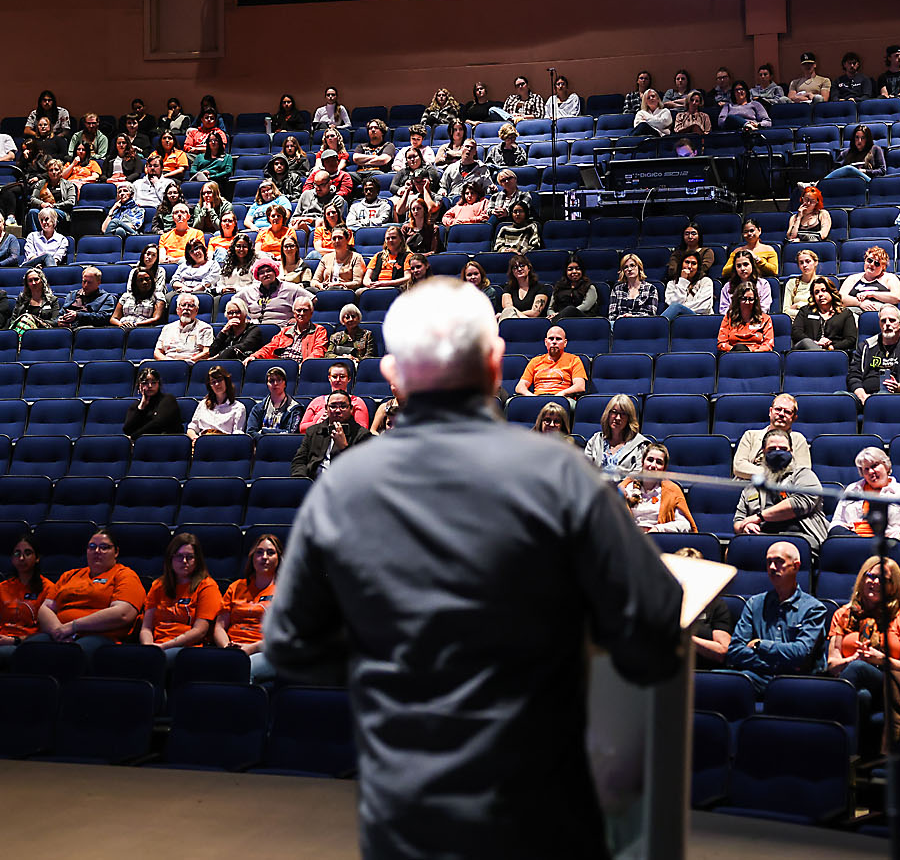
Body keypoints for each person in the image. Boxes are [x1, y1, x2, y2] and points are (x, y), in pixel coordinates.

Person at [265, 278, 683, 857]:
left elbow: (289, 643)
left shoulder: (344, 486)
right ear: (496, 360)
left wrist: (395, 665)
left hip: (406, 816)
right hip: (543, 811)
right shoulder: (561, 475)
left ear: (391, 374)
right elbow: (655, 621)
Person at [826, 557, 900, 743]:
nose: (875, 582)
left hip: (887, 684)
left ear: (894, 586)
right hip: (851, 680)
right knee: (862, 697)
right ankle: (852, 752)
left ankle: (824, 726)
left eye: (884, 579)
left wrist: (880, 659)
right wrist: (853, 658)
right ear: (862, 579)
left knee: (858, 668)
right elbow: (832, 664)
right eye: (870, 576)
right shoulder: (843, 615)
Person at [724, 540, 828, 693]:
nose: (772, 567)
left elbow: (801, 653)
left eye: (779, 562)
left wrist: (760, 645)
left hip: (797, 684)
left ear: (796, 566)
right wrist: (779, 664)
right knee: (718, 681)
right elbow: (735, 651)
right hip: (759, 678)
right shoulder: (754, 604)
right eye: (769, 562)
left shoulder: (814, 609)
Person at [34, 528, 146, 654]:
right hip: (61, 634)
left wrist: (73, 626)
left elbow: (123, 614)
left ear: (116, 552)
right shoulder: (70, 575)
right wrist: (58, 631)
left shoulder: (125, 575)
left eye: (104, 547)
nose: (97, 551)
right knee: (30, 647)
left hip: (101, 637)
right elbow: (45, 608)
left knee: (73, 652)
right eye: (92, 547)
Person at [733, 429, 828, 548]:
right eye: (772, 449)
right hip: (762, 538)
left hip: (801, 538)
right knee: (734, 548)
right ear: (763, 452)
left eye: (783, 449)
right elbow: (738, 520)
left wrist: (759, 517)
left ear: (791, 452)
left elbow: (800, 503)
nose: (778, 453)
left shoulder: (803, 475)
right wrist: (745, 526)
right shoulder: (752, 487)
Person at [137, 533, 222, 657]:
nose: (184, 561)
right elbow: (146, 628)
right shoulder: (158, 585)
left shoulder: (207, 586)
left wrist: (163, 647)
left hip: (187, 649)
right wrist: (149, 647)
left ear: (197, 560)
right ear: (170, 558)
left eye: (190, 557)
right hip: (156, 645)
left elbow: (200, 631)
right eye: (179, 556)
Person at [217, 533, 283, 683]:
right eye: (259, 552)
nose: (264, 557)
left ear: (279, 558)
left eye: (270, 553)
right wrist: (227, 648)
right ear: (252, 558)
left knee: (242, 669)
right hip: (233, 648)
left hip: (267, 650)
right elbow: (219, 626)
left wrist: (251, 648)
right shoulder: (236, 587)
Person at [830, 447, 900, 543]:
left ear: (886, 466)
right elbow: (836, 522)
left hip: (887, 543)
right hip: (852, 542)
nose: (871, 472)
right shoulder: (852, 490)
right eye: (866, 469)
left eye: (874, 466)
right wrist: (842, 529)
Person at [0, 534, 56, 652]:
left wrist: (14, 640)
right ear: (12, 558)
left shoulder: (49, 588)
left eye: (28, 553)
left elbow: (46, 633)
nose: (22, 558)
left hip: (30, 644)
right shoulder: (3, 587)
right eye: (17, 554)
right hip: (1, 640)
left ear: (37, 558)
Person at [847, 306, 900, 406]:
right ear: (879, 324)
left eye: (892, 320)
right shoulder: (865, 346)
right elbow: (853, 376)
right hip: (864, 396)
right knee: (840, 397)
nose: (887, 324)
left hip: (895, 397)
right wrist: (863, 397)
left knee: (881, 397)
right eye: (883, 321)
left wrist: (899, 387)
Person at [291, 389, 372, 480]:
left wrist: (343, 447)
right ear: (326, 408)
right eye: (333, 406)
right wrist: (302, 481)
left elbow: (363, 470)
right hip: (314, 482)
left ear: (351, 409)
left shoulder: (363, 435)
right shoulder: (313, 431)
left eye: (343, 406)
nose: (338, 410)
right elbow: (299, 461)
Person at [733, 394, 812, 477]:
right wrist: (773, 474)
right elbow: (738, 467)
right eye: (778, 409)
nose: (781, 414)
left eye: (787, 412)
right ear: (770, 412)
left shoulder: (799, 439)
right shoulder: (750, 435)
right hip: (749, 482)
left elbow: (803, 472)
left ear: (794, 418)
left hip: (785, 484)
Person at [582, 394, 651, 478]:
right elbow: (584, 468)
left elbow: (638, 475)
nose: (618, 418)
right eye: (614, 412)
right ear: (608, 414)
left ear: (629, 418)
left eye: (623, 414)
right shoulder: (595, 440)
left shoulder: (640, 445)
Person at [249, 293, 327, 365]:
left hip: (300, 367)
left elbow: (318, 352)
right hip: (280, 365)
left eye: (305, 310)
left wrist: (304, 366)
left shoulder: (319, 331)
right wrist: (255, 356)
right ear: (294, 313)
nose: (301, 313)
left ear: (311, 313)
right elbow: (270, 347)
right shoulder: (285, 331)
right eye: (299, 310)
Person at [514, 325, 586, 398]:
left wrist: (563, 393)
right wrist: (532, 397)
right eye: (551, 339)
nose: (554, 342)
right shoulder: (535, 361)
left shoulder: (574, 360)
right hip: (538, 398)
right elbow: (520, 386)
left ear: (565, 343)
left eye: (558, 339)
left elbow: (580, 386)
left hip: (562, 398)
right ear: (546, 342)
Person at [299, 360, 371, 431]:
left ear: (349, 379)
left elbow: (362, 429)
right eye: (334, 376)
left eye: (342, 377)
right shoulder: (317, 401)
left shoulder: (357, 402)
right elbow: (302, 428)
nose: (338, 380)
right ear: (329, 378)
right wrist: (317, 424)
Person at [839, 245, 900, 315]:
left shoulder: (890, 277)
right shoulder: (853, 278)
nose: (872, 264)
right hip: (853, 312)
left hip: (880, 313)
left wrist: (872, 294)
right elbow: (840, 298)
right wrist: (860, 303)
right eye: (869, 260)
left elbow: (897, 297)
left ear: (883, 267)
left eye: (877, 263)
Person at [151, 292, 213, 364]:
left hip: (191, 364)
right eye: (183, 305)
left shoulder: (205, 328)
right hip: (167, 363)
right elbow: (157, 352)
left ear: (196, 311)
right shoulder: (167, 328)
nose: (186, 308)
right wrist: (168, 361)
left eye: (191, 306)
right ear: (177, 310)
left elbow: (206, 352)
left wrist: (186, 362)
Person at [186, 365, 246, 439]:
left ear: (226, 381)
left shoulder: (238, 407)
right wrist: (195, 438)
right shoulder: (203, 404)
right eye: (213, 382)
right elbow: (192, 428)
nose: (217, 384)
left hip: (225, 442)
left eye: (219, 380)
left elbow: (237, 434)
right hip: (203, 441)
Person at [124, 365, 182, 440]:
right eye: (145, 383)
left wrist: (134, 437)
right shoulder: (136, 405)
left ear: (158, 384)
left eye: (154, 382)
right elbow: (127, 430)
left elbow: (158, 424)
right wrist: (141, 407)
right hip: (144, 442)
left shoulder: (168, 399)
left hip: (167, 441)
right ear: (139, 386)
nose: (150, 386)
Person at [244, 365, 304, 434]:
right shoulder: (259, 408)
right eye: (271, 381)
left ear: (285, 383)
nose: (275, 384)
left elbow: (291, 433)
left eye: (279, 380)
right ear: (267, 384)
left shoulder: (294, 408)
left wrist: (264, 432)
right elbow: (250, 432)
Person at [717, 280, 773, 353]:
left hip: (757, 355)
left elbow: (768, 345)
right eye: (744, 299)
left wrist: (750, 351)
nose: (747, 302)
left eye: (751, 299)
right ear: (738, 300)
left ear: (755, 301)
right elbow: (721, 343)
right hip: (734, 354)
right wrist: (737, 350)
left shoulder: (765, 319)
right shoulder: (728, 318)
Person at [607, 253, 659, 319]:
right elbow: (612, 315)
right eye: (626, 267)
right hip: (621, 323)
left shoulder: (651, 289)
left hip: (643, 323)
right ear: (623, 271)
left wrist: (633, 317)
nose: (629, 269)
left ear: (639, 268)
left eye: (632, 265)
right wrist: (620, 318)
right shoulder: (617, 289)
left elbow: (651, 315)